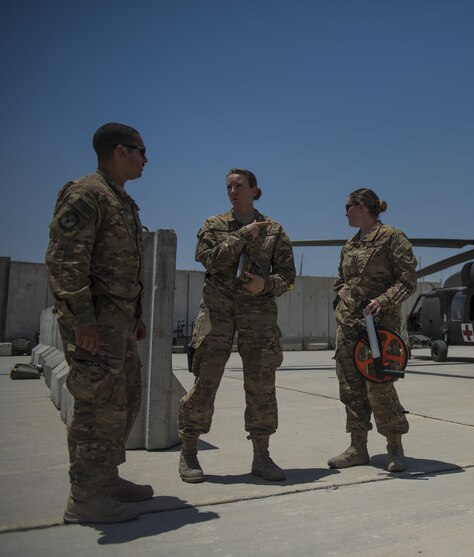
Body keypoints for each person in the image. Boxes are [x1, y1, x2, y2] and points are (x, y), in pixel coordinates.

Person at [45, 122, 152, 524]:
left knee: (124, 400)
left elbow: (123, 267)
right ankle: (85, 496)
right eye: (143, 152)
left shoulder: (121, 199)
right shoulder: (86, 194)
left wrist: (135, 316)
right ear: (122, 150)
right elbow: (66, 261)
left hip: (119, 322)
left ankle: (106, 478)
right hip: (95, 325)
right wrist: (82, 321)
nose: (145, 161)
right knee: (97, 404)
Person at [177, 168, 295, 483]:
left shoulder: (275, 231)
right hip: (217, 315)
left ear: (254, 190)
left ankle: (262, 456)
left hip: (258, 318)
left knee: (261, 387)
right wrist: (243, 235)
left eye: (239, 185)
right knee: (205, 383)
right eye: (229, 186)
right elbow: (209, 258)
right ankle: (189, 451)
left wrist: (264, 284)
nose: (233, 191)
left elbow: (287, 277)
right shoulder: (214, 225)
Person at [328, 188, 417, 472]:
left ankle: (395, 448)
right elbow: (341, 278)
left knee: (380, 387)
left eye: (348, 206)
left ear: (362, 206)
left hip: (379, 330)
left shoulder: (391, 237)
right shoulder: (351, 244)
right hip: (348, 327)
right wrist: (340, 289)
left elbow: (408, 280)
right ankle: (358, 448)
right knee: (351, 389)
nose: (344, 211)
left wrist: (382, 300)